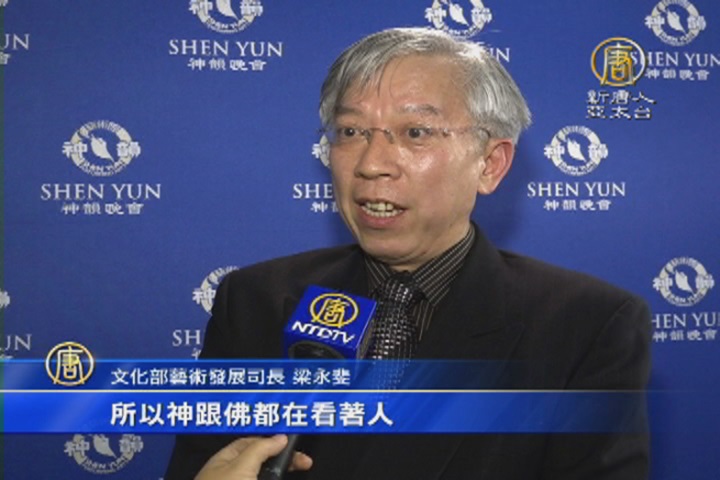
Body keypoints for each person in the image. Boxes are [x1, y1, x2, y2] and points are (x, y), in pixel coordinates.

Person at [166, 27, 650, 480]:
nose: (371, 164)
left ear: (490, 164)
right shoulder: (255, 301)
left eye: (416, 132)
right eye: (351, 132)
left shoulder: (587, 326)